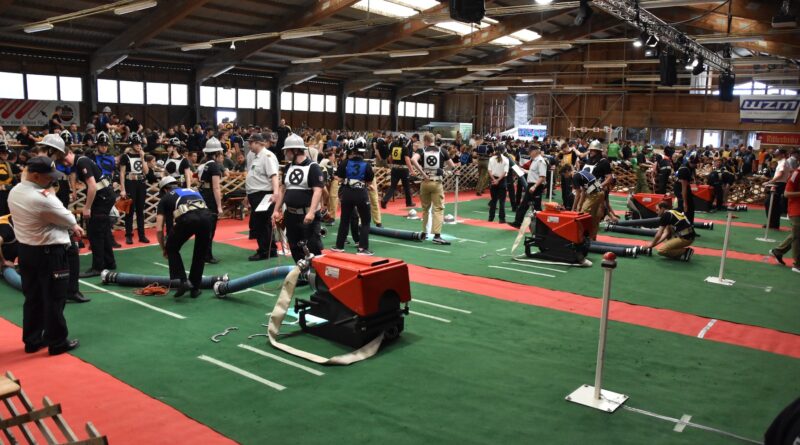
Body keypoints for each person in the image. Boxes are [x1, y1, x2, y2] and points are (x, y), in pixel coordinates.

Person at [8, 156, 83, 355]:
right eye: (48, 176)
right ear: (35, 175)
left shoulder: (15, 191)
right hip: (50, 253)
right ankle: (57, 342)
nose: (52, 180)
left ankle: (32, 340)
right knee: (55, 298)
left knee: (33, 297)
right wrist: (51, 194)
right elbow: (68, 218)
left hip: (26, 251)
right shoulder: (41, 198)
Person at [54, 138, 117, 277]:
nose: (65, 163)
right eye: (62, 162)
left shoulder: (81, 161)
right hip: (104, 195)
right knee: (103, 229)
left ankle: (98, 267)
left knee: (95, 231)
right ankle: (109, 262)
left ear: (70, 153)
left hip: (102, 197)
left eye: (65, 159)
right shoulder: (79, 162)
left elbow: (92, 186)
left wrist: (87, 207)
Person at [272, 133, 324, 267]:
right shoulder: (288, 167)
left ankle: (317, 274)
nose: (285, 153)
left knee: (312, 247)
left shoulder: (313, 167)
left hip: (307, 215)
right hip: (291, 215)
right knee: (294, 247)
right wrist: (276, 210)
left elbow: (318, 191)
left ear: (295, 150)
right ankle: (302, 272)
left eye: (287, 150)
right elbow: (283, 189)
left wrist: (311, 212)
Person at [155, 177, 212, 298]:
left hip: (189, 219)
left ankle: (183, 281)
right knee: (200, 253)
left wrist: (165, 248)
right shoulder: (193, 191)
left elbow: (159, 229)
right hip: (207, 218)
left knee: (172, 248)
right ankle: (195, 289)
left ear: (164, 190)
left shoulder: (165, 198)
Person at [411, 132, 455, 245]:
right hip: (436, 183)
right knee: (438, 209)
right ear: (433, 140)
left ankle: (425, 233)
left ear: (425, 141)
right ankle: (437, 235)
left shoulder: (422, 150)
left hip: (425, 182)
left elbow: (413, 160)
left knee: (425, 209)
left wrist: (422, 173)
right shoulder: (442, 151)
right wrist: (443, 170)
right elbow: (452, 166)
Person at [332, 137, 374, 255]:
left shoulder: (345, 163)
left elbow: (339, 178)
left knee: (344, 220)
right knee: (365, 221)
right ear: (364, 152)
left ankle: (339, 246)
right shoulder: (367, 165)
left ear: (354, 150)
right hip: (361, 193)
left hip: (347, 192)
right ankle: (362, 248)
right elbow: (369, 181)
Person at [245, 133, 281, 261]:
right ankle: (269, 249)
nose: (249, 145)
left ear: (258, 143)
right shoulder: (256, 156)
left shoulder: (267, 156)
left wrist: (276, 192)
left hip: (263, 194)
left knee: (262, 223)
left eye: (251, 142)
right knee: (261, 223)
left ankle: (265, 250)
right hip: (256, 194)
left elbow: (274, 175)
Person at [769, 155, 799, 273]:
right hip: (796, 209)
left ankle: (778, 251)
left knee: (796, 234)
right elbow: (787, 194)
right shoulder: (796, 174)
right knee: (797, 236)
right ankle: (797, 264)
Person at [197, 138, 225, 264]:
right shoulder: (214, 166)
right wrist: (219, 206)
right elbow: (216, 187)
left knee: (202, 228)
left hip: (201, 196)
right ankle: (207, 255)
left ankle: (202, 254)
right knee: (210, 228)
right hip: (210, 198)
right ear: (217, 153)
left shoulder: (203, 165)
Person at [119, 133, 150, 244]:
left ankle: (142, 235)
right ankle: (129, 235)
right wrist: (123, 189)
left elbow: (146, 171)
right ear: (131, 144)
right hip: (129, 183)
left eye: (140, 144)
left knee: (141, 210)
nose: (139, 146)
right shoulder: (125, 156)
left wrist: (142, 158)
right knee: (130, 210)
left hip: (141, 183)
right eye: (136, 144)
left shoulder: (143, 155)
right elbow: (122, 173)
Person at [509, 145, 547, 228]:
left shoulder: (540, 161)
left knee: (534, 206)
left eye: (530, 151)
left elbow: (542, 176)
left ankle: (541, 225)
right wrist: (523, 170)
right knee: (528, 205)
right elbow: (533, 172)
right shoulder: (534, 160)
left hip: (536, 185)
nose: (529, 153)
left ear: (535, 151)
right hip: (532, 184)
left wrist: (534, 186)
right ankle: (519, 222)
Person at [381, 133, 415, 209]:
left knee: (392, 186)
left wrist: (392, 164)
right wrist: (412, 170)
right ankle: (409, 202)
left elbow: (390, 157)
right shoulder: (404, 148)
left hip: (395, 168)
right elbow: (407, 160)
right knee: (406, 186)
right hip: (403, 169)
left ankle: (385, 200)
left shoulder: (394, 148)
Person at [764, 148, 790, 229]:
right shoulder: (783, 162)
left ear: (782, 155)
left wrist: (769, 182)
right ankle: (773, 224)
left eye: (777, 154)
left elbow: (780, 175)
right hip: (779, 184)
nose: (776, 155)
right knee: (774, 204)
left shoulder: (783, 162)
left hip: (779, 184)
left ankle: (772, 223)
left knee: (770, 203)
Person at [487, 144, 509, 223]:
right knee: (502, 201)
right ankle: (502, 219)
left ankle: (490, 218)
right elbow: (505, 172)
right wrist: (498, 180)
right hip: (502, 180)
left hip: (493, 180)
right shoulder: (506, 159)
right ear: (504, 150)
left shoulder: (491, 159)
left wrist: (494, 180)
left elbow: (489, 170)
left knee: (493, 200)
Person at [674, 152, 697, 223]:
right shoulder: (684, 170)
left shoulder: (690, 166)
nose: (696, 165)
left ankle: (690, 225)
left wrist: (695, 179)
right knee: (684, 207)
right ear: (690, 162)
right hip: (680, 188)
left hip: (685, 186)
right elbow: (683, 188)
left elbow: (693, 171)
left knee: (691, 206)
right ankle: (681, 224)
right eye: (695, 164)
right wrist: (685, 202)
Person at [0, 141, 21, 216]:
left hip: (8, 194)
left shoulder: (9, 164)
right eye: (3, 153)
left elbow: (22, 173)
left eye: (7, 153)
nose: (6, 155)